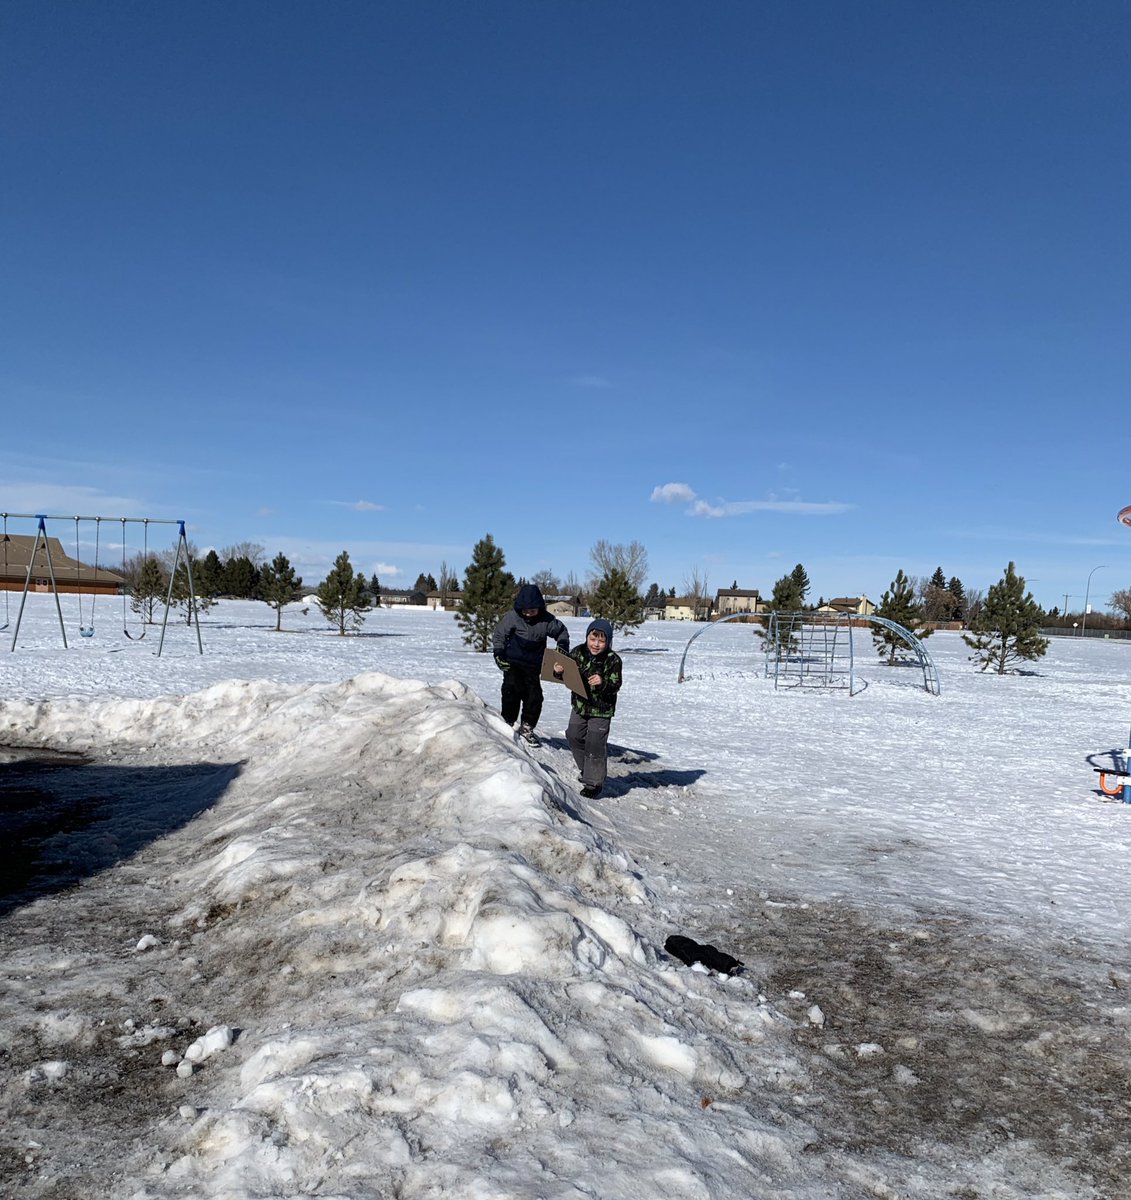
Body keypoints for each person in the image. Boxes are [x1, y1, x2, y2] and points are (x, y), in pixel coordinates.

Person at [492, 583, 569, 746]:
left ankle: (527, 727)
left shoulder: (547, 620)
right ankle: (508, 722)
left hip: (534, 665)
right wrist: (498, 654)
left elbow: (562, 632)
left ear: (539, 608)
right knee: (511, 690)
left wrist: (562, 646)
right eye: (525, 611)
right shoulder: (512, 617)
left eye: (532, 611)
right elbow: (499, 635)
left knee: (534, 697)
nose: (528, 614)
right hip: (512, 662)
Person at [559, 617, 622, 798]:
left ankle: (593, 783)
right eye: (593, 639)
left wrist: (602, 683)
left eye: (601, 641)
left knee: (595, 744)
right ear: (587, 637)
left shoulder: (613, 660)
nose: (596, 644)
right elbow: (567, 674)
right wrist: (559, 671)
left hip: (601, 710)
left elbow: (615, 685)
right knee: (573, 735)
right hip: (580, 705)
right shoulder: (577, 653)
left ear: (608, 642)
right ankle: (587, 770)